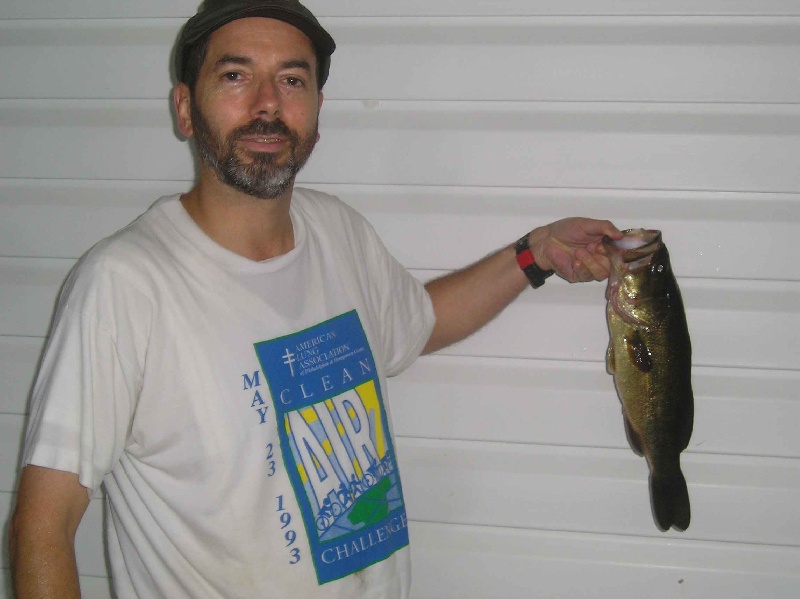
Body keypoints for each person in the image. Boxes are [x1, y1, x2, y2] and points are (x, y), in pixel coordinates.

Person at [8, 1, 622, 597]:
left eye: (292, 79)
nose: (268, 104)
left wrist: (535, 254)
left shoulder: (337, 230)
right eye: (234, 75)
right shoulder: (124, 285)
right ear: (185, 109)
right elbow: (43, 524)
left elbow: (419, 321)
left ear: (318, 110)